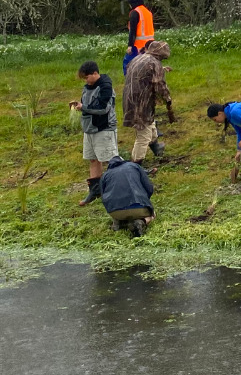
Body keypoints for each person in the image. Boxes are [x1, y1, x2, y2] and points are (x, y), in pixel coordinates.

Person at [71, 60, 119, 206]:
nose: (85, 81)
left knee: (110, 160)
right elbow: (86, 104)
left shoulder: (105, 87)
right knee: (93, 159)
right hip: (89, 129)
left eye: (86, 77)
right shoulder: (87, 88)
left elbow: (103, 108)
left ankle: (118, 188)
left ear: (95, 73)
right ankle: (95, 191)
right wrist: (78, 106)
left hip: (103, 129)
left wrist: (83, 107)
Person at [121, 40, 173, 163]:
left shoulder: (138, 58)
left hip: (128, 98)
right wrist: (168, 100)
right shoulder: (155, 63)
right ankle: (136, 164)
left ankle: (156, 146)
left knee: (149, 122)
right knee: (143, 134)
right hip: (141, 102)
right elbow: (160, 85)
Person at [100, 154, 156, 237]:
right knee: (153, 215)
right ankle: (141, 221)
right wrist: (145, 200)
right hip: (139, 208)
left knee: (119, 211)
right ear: (123, 161)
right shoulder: (134, 166)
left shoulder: (105, 175)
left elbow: (103, 197)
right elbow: (149, 188)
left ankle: (118, 222)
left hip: (115, 212)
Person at [123, 0, 155, 75]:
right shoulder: (148, 12)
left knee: (128, 64)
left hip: (138, 46)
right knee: (147, 67)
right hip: (150, 45)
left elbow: (132, 31)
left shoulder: (135, 12)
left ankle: (130, 82)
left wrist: (130, 45)